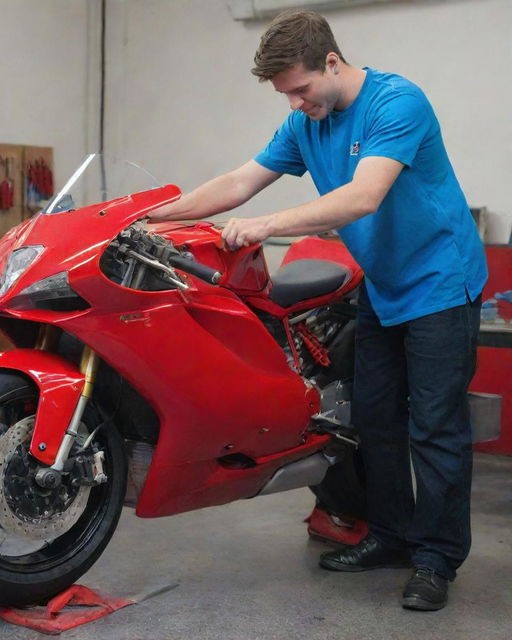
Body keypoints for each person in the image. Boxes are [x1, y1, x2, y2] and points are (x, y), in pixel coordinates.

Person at [149, 10, 487, 611]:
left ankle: (435, 559)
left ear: (332, 63)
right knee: (375, 422)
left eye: (301, 90)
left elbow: (363, 195)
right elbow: (237, 182)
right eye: (286, 96)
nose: (297, 104)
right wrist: (151, 218)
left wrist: (264, 225)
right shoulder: (306, 122)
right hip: (384, 287)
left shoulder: (396, 102)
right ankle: (389, 537)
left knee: (434, 427)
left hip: (440, 282)